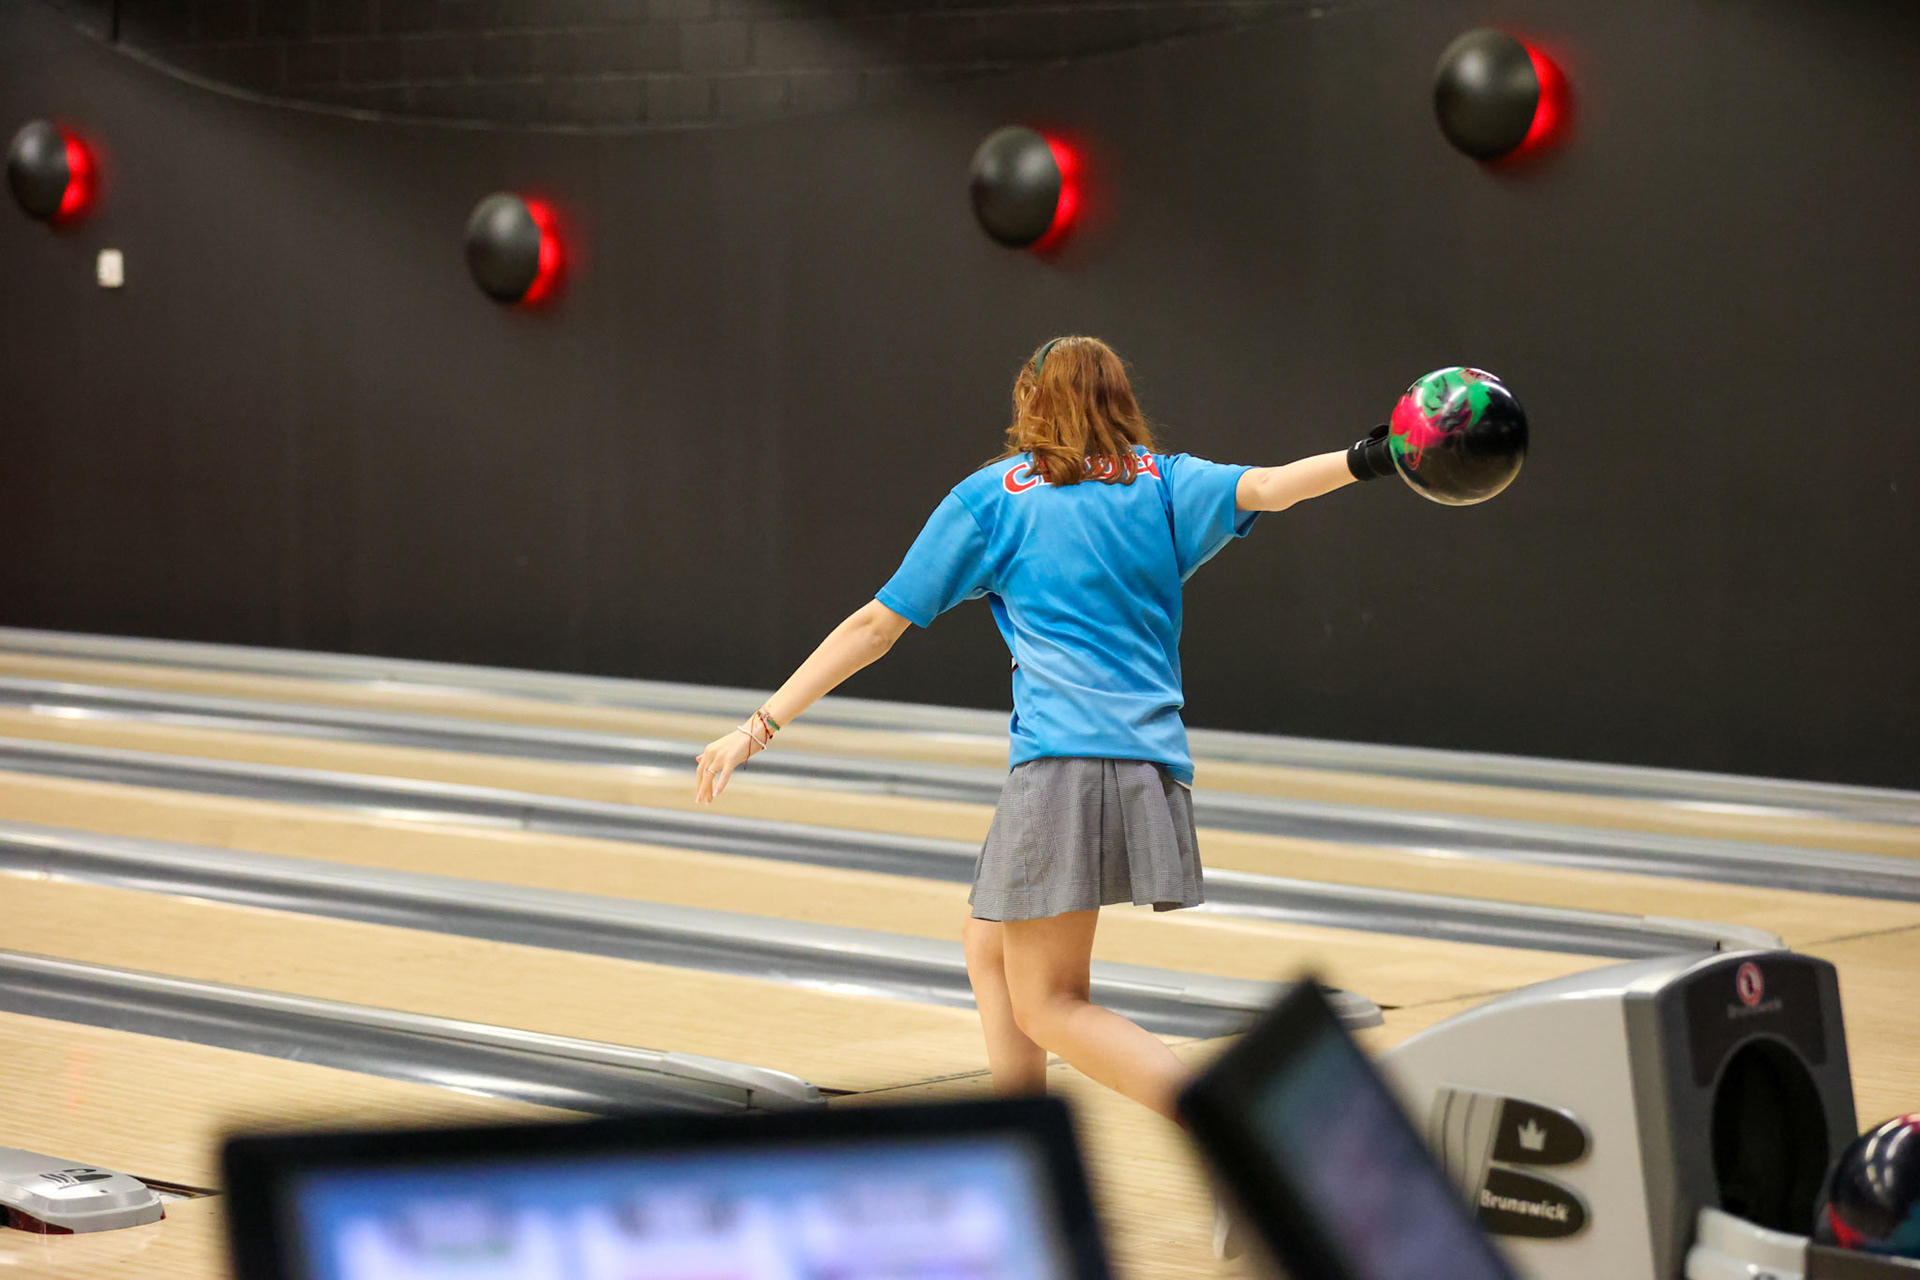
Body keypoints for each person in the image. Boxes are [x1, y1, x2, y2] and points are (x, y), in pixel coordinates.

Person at [694, 335, 1391, 1126]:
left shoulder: (995, 497)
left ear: (1030, 402)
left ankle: (1238, 1128)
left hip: (1063, 769)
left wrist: (758, 725)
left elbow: (874, 626)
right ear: (1119, 398)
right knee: (987, 941)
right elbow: (1270, 487)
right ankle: (1020, 1140)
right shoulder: (1163, 484)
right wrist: (1377, 453)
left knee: (1051, 1004)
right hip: (1150, 765)